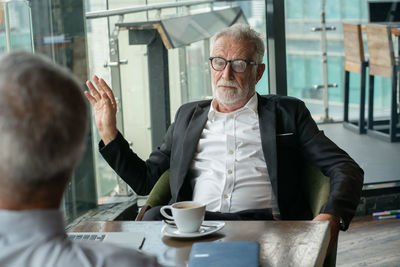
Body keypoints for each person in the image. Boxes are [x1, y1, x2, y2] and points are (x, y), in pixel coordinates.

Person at [85, 24, 363, 253]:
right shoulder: (187, 116)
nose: (226, 73)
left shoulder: (287, 113)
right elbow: (146, 179)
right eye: (219, 62)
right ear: (210, 64)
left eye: (239, 64)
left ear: (259, 71)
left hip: (266, 229)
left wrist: (332, 215)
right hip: (195, 228)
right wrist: (109, 131)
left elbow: (345, 167)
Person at [0, 52, 163, 267]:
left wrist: (108, 132)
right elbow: (146, 181)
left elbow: (146, 183)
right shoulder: (128, 263)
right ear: (76, 157)